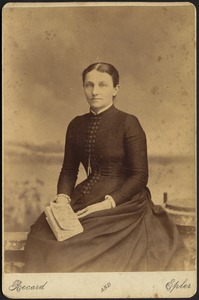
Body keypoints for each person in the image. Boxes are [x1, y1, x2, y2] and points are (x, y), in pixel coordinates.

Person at [24, 62, 186, 272]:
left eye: (102, 85)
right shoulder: (76, 124)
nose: (95, 91)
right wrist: (63, 199)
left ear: (115, 89)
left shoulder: (129, 122)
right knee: (43, 236)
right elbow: (69, 170)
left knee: (77, 249)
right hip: (84, 196)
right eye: (89, 85)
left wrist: (107, 203)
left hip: (123, 202)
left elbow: (139, 176)